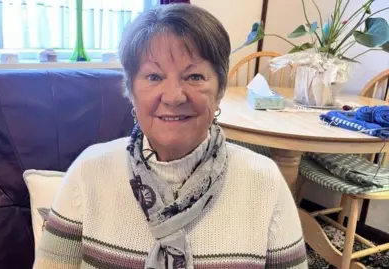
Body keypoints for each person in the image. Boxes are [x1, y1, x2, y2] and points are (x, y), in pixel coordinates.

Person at [33, 3, 307, 269]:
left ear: (220, 89)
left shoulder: (265, 182)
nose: (174, 96)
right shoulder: (88, 173)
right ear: (130, 90)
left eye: (195, 76)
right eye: (153, 77)